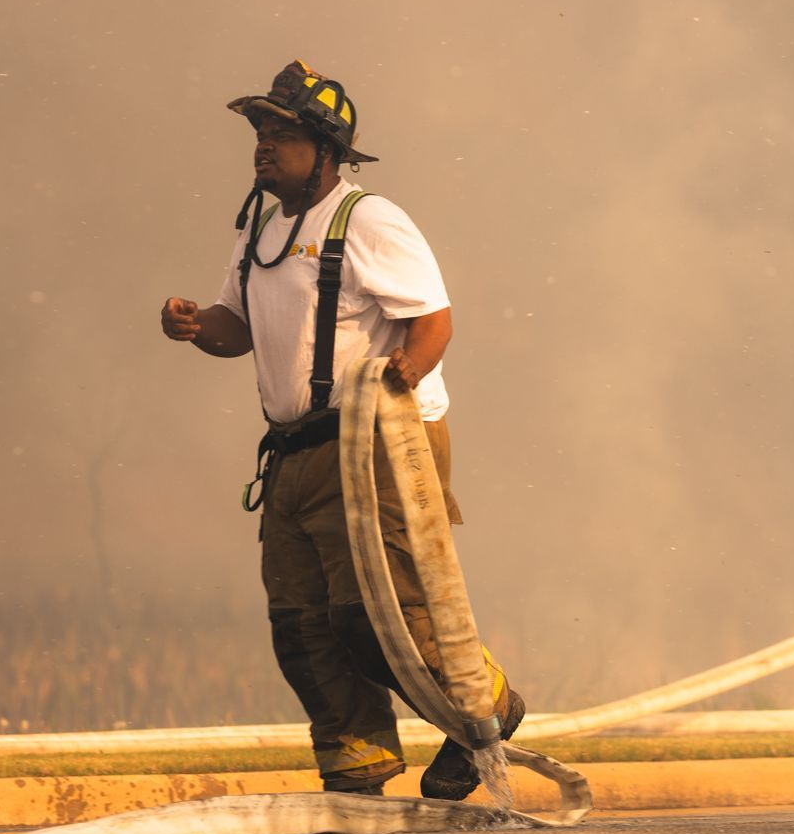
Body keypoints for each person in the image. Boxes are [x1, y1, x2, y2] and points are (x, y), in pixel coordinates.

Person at [161, 59, 523, 795]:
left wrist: (407, 372)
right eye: (260, 132)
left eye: (282, 133)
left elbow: (433, 319)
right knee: (303, 622)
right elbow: (238, 328)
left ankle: (485, 712)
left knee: (383, 610)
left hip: (377, 443)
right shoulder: (259, 228)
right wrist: (196, 326)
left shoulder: (370, 220)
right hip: (294, 451)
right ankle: (357, 764)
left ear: (327, 150)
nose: (263, 145)